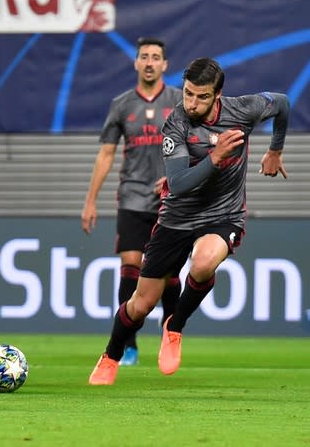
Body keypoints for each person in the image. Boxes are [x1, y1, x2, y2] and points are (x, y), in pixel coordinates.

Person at [89, 57, 290, 386]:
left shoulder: (244, 110)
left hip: (223, 214)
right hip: (177, 218)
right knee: (141, 304)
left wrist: (275, 150)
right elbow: (179, 183)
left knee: (204, 262)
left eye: (201, 96)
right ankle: (111, 355)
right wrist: (215, 157)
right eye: (187, 94)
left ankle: (175, 325)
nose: (192, 103)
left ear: (218, 95)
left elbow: (282, 104)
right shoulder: (176, 124)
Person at [81, 37, 182, 367]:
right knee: (131, 265)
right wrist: (90, 200)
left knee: (167, 273)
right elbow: (107, 153)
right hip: (132, 196)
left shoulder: (180, 102)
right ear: (136, 63)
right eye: (144, 57)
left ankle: (170, 330)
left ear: (165, 64)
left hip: (172, 199)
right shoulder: (122, 104)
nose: (150, 62)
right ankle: (128, 344)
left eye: (156, 57)